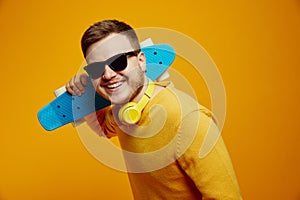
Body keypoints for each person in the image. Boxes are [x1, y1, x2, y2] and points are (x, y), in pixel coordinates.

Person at [66, 19, 242, 199]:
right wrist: (84, 95)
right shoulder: (125, 113)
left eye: (118, 62)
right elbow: (103, 126)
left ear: (141, 61)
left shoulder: (189, 120)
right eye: (96, 69)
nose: (108, 75)